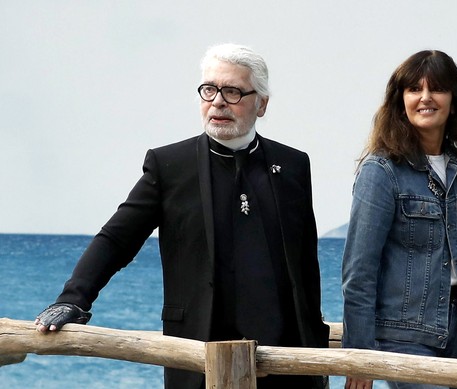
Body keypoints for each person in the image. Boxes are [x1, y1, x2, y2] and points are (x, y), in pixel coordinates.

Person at [35, 43, 330, 389]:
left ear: (261, 104)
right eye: (209, 89)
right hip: (196, 351)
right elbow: (117, 239)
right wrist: (73, 298)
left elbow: (305, 263)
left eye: (233, 91)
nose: (218, 101)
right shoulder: (170, 165)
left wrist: (318, 347)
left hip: (287, 357)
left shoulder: (294, 165)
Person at [341, 50, 457, 389]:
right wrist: (358, 357)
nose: (425, 98)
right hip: (402, 335)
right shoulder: (381, 171)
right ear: (400, 100)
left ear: (454, 100)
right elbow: (359, 273)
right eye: (413, 89)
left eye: (436, 88)